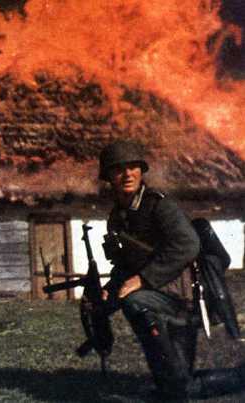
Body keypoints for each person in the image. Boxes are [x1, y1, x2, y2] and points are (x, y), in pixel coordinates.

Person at [98, 140, 245, 399]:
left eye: (133, 167)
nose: (127, 174)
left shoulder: (159, 205)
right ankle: (172, 385)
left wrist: (143, 279)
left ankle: (189, 385)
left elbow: (188, 244)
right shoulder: (118, 216)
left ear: (142, 171)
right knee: (179, 384)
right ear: (108, 176)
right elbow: (125, 263)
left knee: (136, 301)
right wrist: (110, 289)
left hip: (185, 295)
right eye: (119, 169)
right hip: (161, 293)